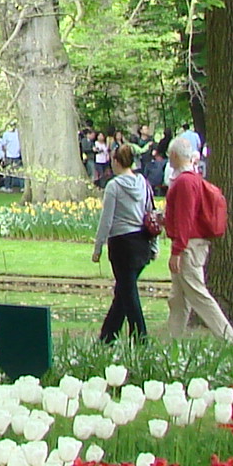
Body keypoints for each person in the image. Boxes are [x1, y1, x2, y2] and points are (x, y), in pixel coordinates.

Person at [161, 139, 233, 342]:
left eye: (169, 156)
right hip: (189, 243)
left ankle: (229, 339)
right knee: (178, 299)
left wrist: (177, 250)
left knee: (197, 295)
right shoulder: (191, 179)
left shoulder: (185, 182)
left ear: (175, 156)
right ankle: (172, 341)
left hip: (189, 246)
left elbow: (186, 218)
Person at [91, 144, 155, 344]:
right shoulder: (143, 183)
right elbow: (150, 213)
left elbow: (106, 220)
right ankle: (107, 336)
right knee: (124, 291)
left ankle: (140, 337)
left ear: (117, 162)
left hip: (122, 244)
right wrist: (154, 246)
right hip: (141, 242)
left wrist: (98, 247)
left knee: (128, 292)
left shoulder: (114, 186)